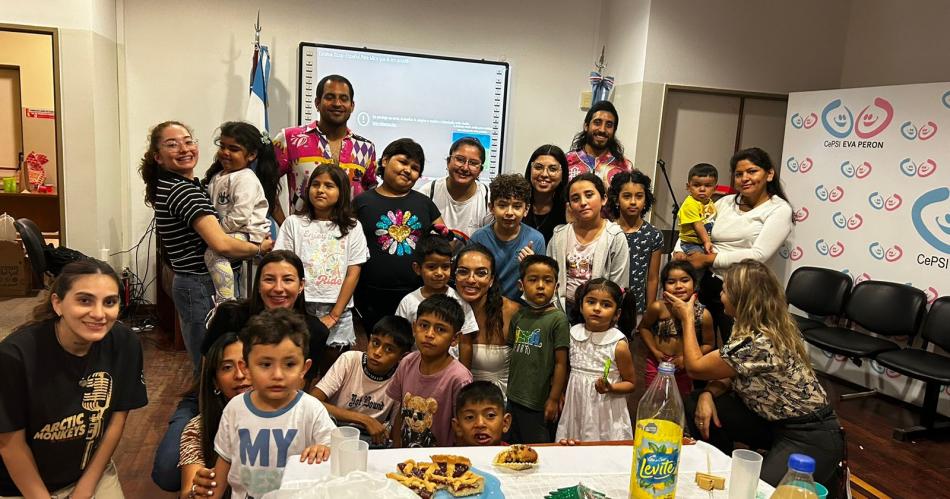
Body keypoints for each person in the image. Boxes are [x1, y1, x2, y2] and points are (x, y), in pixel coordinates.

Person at [150, 251, 331, 493]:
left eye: (287, 279)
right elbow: (207, 372)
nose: (278, 288)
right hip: (211, 400)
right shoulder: (232, 314)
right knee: (169, 471)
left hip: (272, 407)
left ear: (301, 286)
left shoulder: (314, 332)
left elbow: (299, 393)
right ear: (257, 285)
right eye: (269, 279)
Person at [671, 260, 845, 492]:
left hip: (810, 435)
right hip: (774, 424)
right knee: (696, 400)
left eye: (724, 291)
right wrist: (707, 395)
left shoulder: (759, 341)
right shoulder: (748, 326)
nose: (720, 295)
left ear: (740, 298)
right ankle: (720, 470)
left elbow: (696, 368)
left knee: (755, 492)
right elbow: (730, 373)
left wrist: (687, 318)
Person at [0, 259, 148, 498]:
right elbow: (10, 444)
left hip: (88, 472)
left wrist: (85, 489)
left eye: (109, 302)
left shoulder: (125, 343)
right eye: (84, 300)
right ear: (57, 303)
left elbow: (115, 422)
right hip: (19, 484)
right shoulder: (14, 356)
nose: (99, 314)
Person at [139, 121, 271, 374]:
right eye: (172, 144)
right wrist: (259, 248)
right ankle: (205, 409)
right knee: (211, 362)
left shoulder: (189, 185)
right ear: (158, 156)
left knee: (218, 358)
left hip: (202, 281)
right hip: (200, 284)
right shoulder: (183, 191)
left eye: (188, 141)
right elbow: (220, 243)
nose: (183, 148)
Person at [210, 309, 336, 499]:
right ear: (247, 368)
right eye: (266, 364)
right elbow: (224, 461)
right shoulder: (235, 408)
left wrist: (325, 448)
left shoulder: (311, 409)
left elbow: (336, 447)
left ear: (304, 368)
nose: (277, 375)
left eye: (289, 364)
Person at [677, 147, 794, 344]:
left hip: (743, 291)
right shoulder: (725, 202)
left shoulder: (779, 209)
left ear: (769, 174)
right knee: (699, 342)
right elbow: (694, 229)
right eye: (739, 174)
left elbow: (759, 254)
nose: (745, 178)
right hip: (708, 281)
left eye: (752, 171)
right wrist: (679, 252)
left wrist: (709, 258)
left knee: (737, 349)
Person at [275, 163, 368, 361]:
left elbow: (354, 272)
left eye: (329, 185)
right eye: (315, 184)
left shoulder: (353, 227)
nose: (320, 190)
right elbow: (282, 266)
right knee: (297, 361)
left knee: (332, 366)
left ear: (341, 192)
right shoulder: (294, 223)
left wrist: (334, 315)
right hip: (300, 306)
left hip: (338, 308)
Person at [354, 138, 444, 335]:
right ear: (385, 161)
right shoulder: (361, 202)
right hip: (368, 297)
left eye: (414, 168)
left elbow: (444, 240)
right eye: (403, 162)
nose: (407, 170)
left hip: (415, 295)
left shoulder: (424, 203)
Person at [273, 74, 377, 221]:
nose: (337, 103)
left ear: (352, 106)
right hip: (303, 238)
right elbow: (265, 182)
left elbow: (372, 195)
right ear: (317, 102)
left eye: (344, 98)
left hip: (349, 238)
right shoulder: (290, 139)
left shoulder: (366, 148)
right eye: (329, 97)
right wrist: (285, 227)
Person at [202, 121, 279, 304]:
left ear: (251, 155)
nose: (225, 153)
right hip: (231, 230)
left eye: (234, 149)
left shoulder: (246, 178)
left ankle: (226, 300)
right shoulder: (219, 176)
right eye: (222, 146)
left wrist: (216, 233)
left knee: (213, 253)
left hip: (248, 231)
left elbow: (240, 216)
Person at [311, 315, 413, 447]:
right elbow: (313, 401)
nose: (377, 352)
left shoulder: (400, 379)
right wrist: (364, 420)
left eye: (389, 349)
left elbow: (395, 430)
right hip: (334, 430)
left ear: (402, 356)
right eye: (375, 343)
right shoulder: (350, 359)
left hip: (370, 440)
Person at [387, 295, 473, 448]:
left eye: (440, 329)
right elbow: (401, 412)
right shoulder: (407, 363)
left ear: (454, 339)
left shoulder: (459, 378)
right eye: (424, 325)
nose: (429, 334)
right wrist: (396, 452)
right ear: (414, 328)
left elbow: (463, 430)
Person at [555, 278, 635, 442]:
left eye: (606, 305)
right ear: (581, 306)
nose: (597, 308)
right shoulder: (572, 333)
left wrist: (610, 387)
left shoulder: (618, 344)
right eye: (591, 302)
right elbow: (567, 369)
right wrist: (560, 393)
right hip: (576, 405)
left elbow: (631, 383)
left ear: (617, 314)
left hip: (606, 410)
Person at [505, 255, 570, 444]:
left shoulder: (558, 319)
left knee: (539, 447)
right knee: (512, 446)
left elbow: (561, 363)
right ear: (521, 286)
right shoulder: (519, 315)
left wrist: (553, 398)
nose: (540, 285)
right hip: (514, 397)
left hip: (538, 402)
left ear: (556, 287)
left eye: (547, 280)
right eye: (533, 280)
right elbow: (512, 353)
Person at [548, 173, 629, 321]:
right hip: (562, 311)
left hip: (599, 312)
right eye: (575, 199)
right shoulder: (559, 235)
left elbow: (619, 285)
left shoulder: (615, 237)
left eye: (589, 195)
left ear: (603, 199)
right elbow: (550, 279)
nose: (583, 202)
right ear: (570, 206)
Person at [178, 333, 250, 499]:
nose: (239, 375)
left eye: (245, 364)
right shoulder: (197, 429)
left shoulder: (292, 417)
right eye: (227, 367)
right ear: (215, 382)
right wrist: (196, 493)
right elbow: (188, 491)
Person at [395, 231, 479, 360]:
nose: (439, 273)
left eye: (445, 267)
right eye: (432, 267)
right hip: (417, 368)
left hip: (450, 372)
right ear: (417, 268)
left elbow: (466, 342)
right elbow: (399, 339)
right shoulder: (408, 302)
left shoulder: (459, 301)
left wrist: (465, 375)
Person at [637, 261, 715, 395]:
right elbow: (643, 328)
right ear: (664, 286)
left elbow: (709, 344)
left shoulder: (703, 315)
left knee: (679, 401)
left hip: (685, 366)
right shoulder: (658, 308)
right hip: (657, 363)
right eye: (671, 282)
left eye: (685, 280)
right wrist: (655, 351)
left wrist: (685, 358)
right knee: (653, 396)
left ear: (695, 283)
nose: (678, 286)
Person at [454, 245, 521, 395]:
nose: (471, 279)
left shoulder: (513, 313)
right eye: (463, 272)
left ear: (491, 280)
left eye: (481, 273)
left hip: (502, 403)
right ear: (455, 276)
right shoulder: (439, 312)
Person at [469, 174, 546, 302]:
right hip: (484, 305)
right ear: (491, 208)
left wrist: (530, 267)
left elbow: (539, 286)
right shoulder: (478, 238)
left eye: (516, 206)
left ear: (526, 209)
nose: (509, 212)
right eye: (502, 205)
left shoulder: (536, 239)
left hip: (521, 309)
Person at [607, 170, 663, 335]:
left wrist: (649, 311)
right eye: (626, 196)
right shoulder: (607, 230)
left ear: (646, 200)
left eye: (639, 196)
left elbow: (652, 277)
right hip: (608, 303)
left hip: (637, 307)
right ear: (616, 199)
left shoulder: (653, 234)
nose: (633, 202)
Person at [415, 137, 491, 238]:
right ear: (448, 161)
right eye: (460, 159)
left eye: (473, 163)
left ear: (480, 170)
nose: (465, 168)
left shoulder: (488, 199)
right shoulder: (428, 193)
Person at [566, 100, 633, 185]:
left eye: (609, 125)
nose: (602, 130)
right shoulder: (567, 162)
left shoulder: (624, 166)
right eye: (597, 123)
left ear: (614, 130)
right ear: (586, 126)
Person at [523, 145, 569, 243]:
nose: (544, 174)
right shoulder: (517, 204)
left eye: (552, 169)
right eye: (538, 167)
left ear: (563, 174)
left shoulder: (568, 208)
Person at [452, 381, 511, 447]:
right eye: (470, 417)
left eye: (490, 415)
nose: (480, 424)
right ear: (458, 426)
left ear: (505, 422)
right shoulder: (451, 456)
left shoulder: (516, 455)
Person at [677, 163, 718, 256]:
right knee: (699, 258)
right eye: (696, 185)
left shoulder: (709, 202)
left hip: (704, 241)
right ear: (688, 187)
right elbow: (698, 225)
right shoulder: (690, 204)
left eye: (707, 185)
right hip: (691, 243)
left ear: (715, 188)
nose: (702, 189)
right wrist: (707, 241)